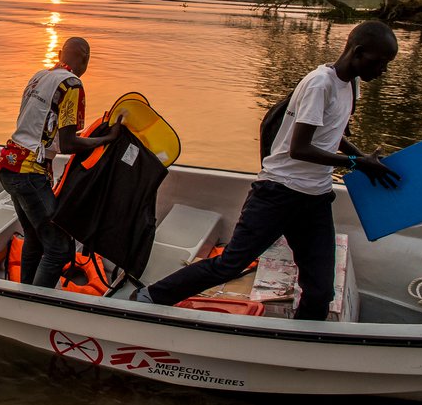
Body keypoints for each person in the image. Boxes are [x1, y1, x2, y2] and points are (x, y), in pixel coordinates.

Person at [132, 20, 401, 320]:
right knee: (230, 264)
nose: (383, 71)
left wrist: (363, 159)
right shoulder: (319, 84)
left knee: (321, 290)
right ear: (359, 52)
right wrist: (355, 164)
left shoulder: (352, 84)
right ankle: (150, 296)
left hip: (315, 199)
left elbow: (332, 134)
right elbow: (299, 148)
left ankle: (300, 344)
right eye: (381, 62)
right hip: (278, 193)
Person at [0, 37, 122, 288]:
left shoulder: (40, 76)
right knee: (59, 247)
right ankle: (36, 306)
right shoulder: (72, 84)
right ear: (85, 58)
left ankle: (25, 293)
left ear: (60, 53)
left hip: (9, 164)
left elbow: (42, 130)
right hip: (29, 173)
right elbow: (68, 144)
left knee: (34, 237)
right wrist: (107, 139)